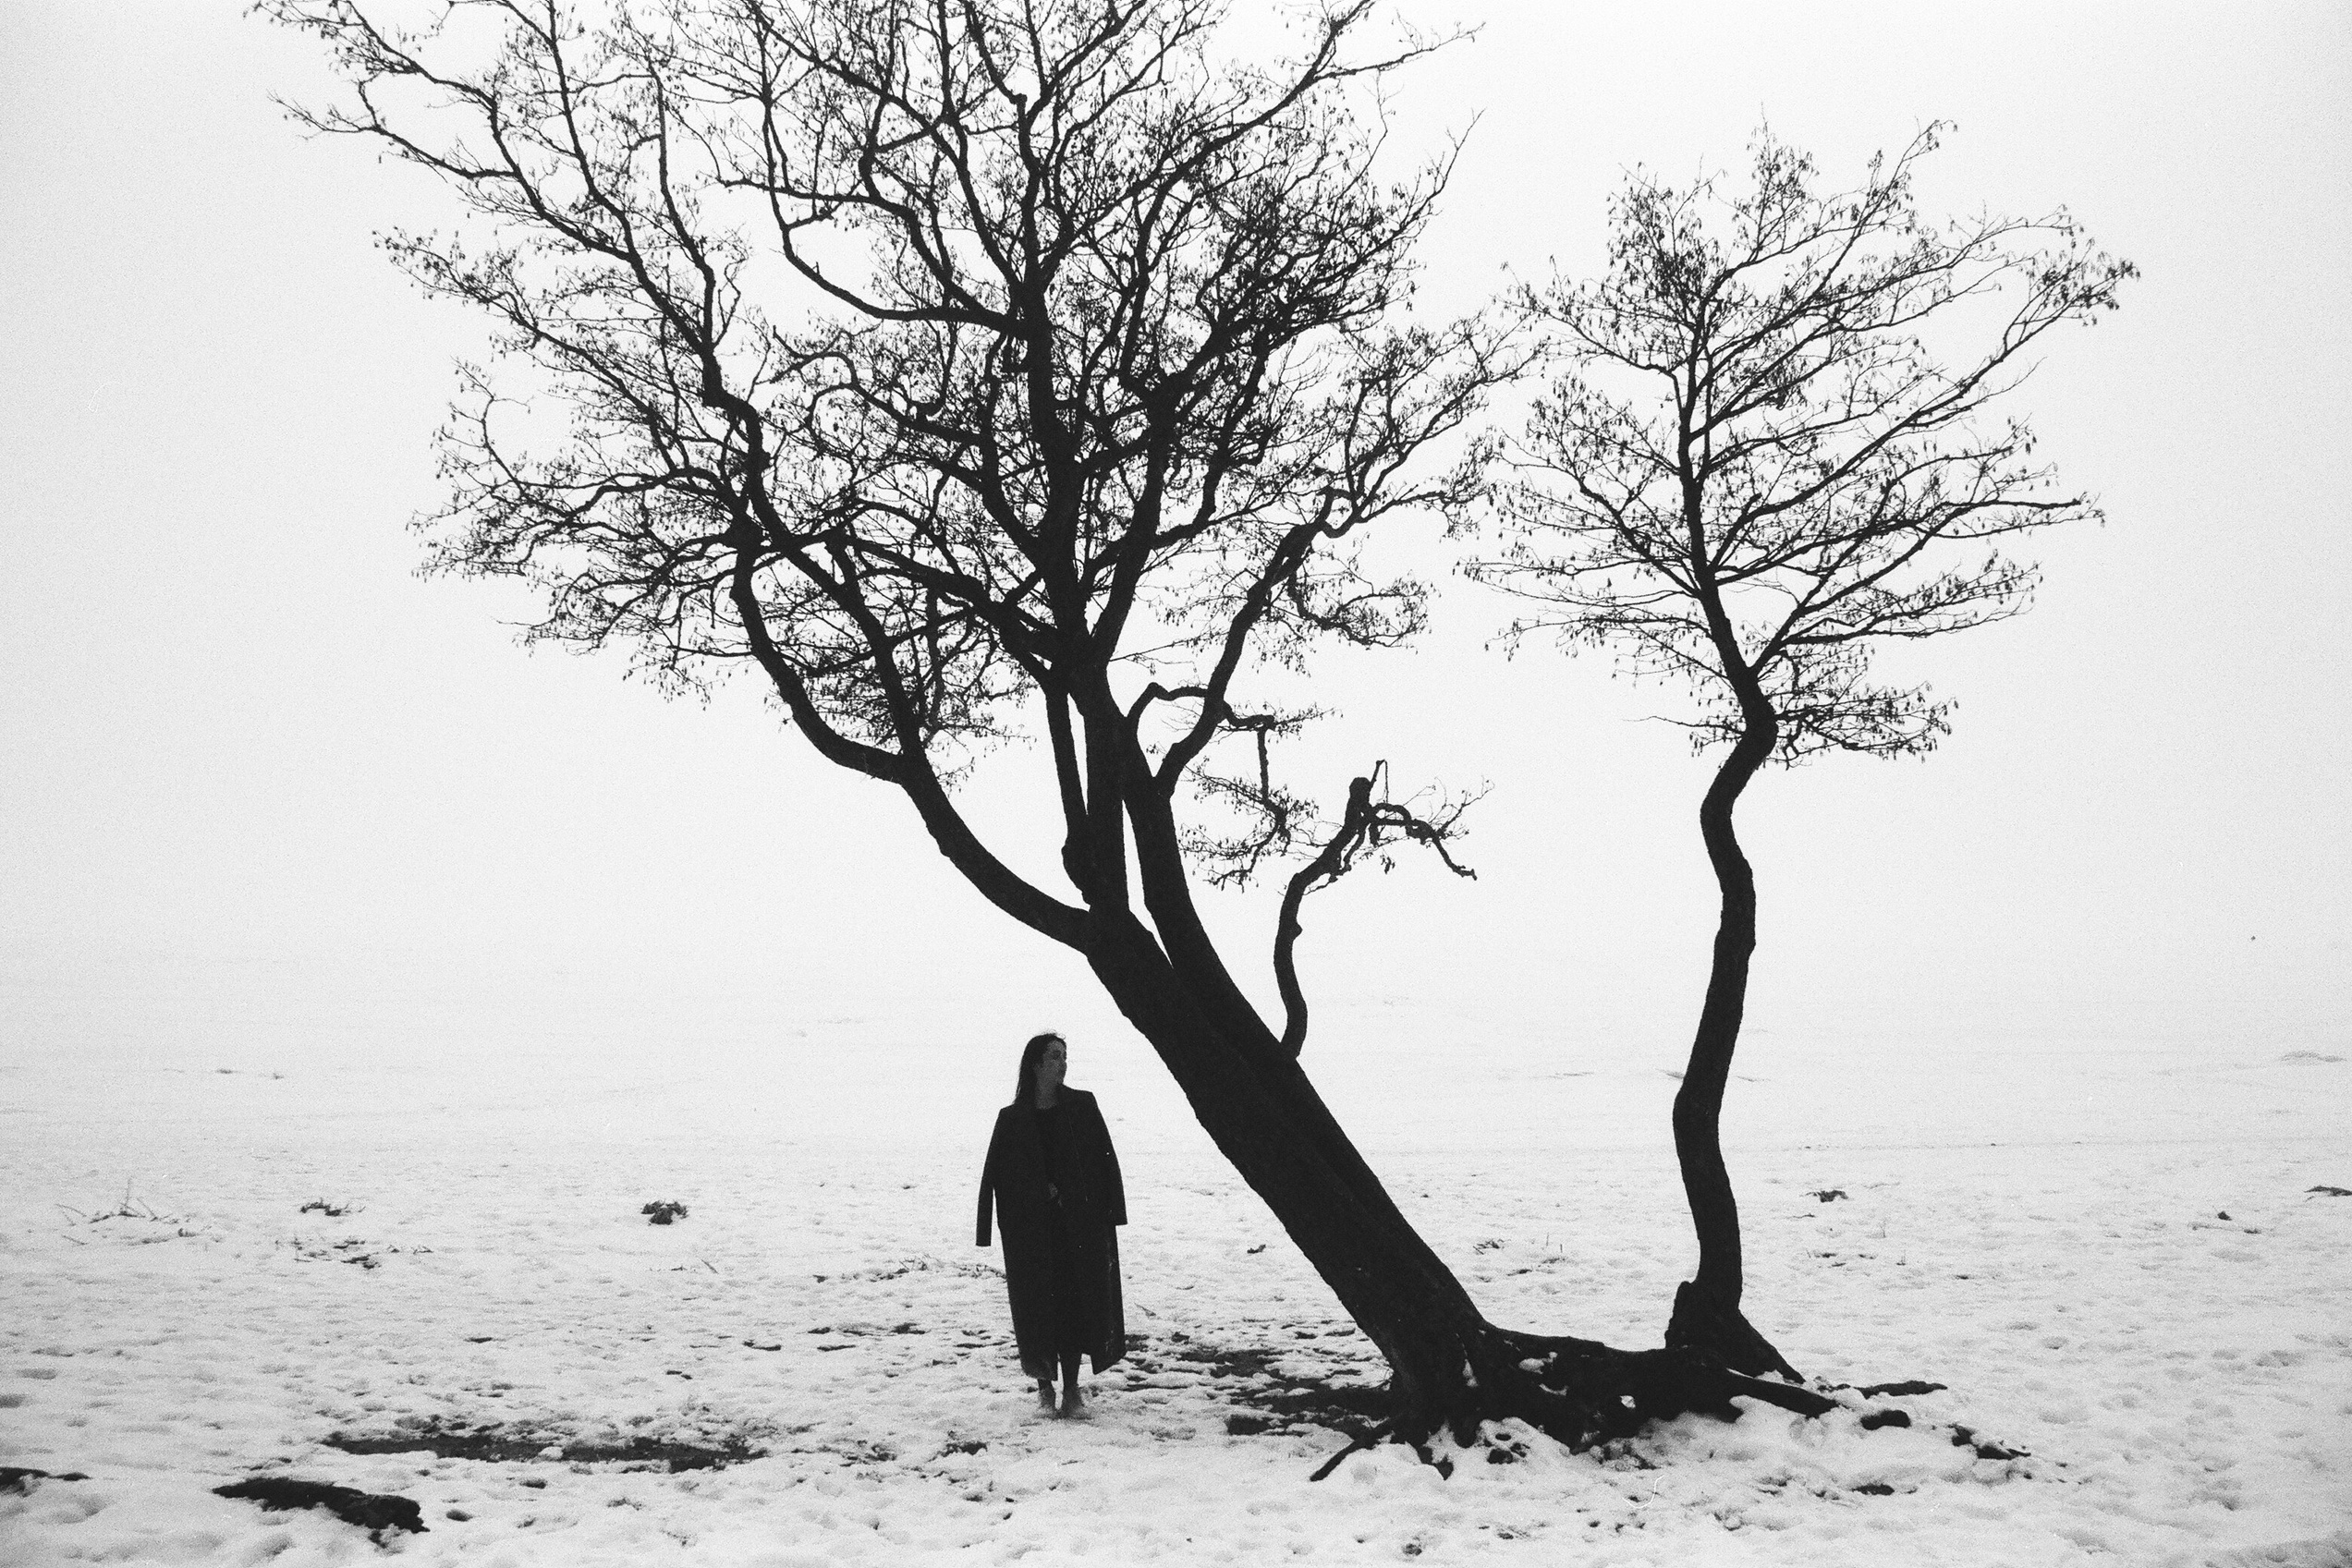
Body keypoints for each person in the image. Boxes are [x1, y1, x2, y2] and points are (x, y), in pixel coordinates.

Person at [974, 1032, 1127, 1416]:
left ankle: (1072, 1390)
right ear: (1036, 1065)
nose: (1063, 1064)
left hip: (1077, 1227)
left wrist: (1110, 1211)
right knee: (1038, 1308)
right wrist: (1035, 1192)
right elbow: (998, 1174)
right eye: (1055, 1057)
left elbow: (1104, 1159)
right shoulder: (1012, 1119)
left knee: (1075, 1303)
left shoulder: (1082, 1106)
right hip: (1031, 1233)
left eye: (1064, 1056)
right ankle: (1045, 1389)